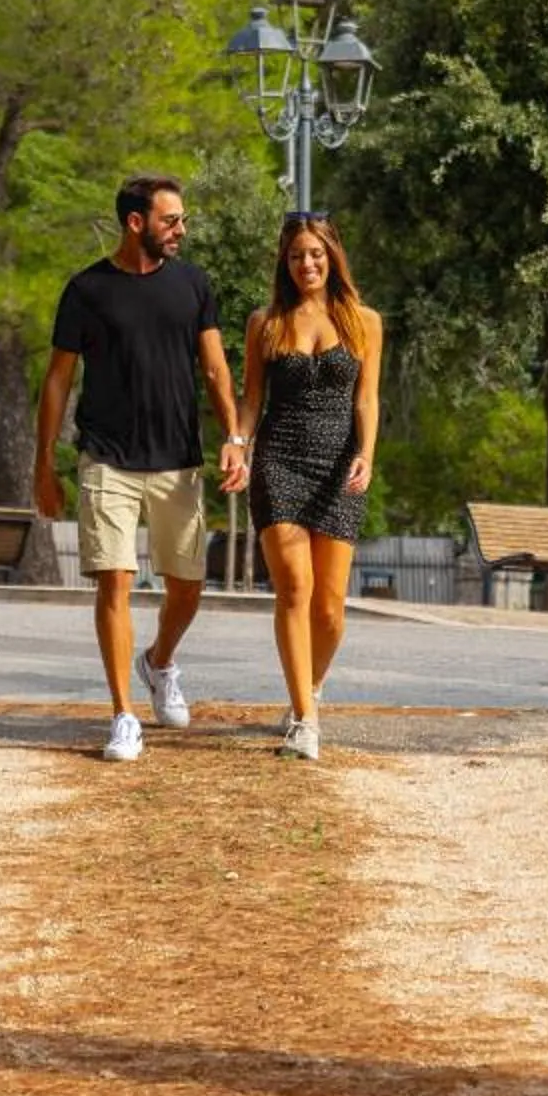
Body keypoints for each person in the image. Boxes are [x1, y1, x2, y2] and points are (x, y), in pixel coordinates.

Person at [34, 174, 249, 763]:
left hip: (178, 458)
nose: (181, 230)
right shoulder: (86, 290)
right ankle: (123, 714)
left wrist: (234, 437)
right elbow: (57, 380)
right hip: (107, 457)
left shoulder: (193, 285)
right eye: (170, 220)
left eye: (181, 220)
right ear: (136, 223)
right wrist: (43, 464)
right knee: (115, 580)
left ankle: (158, 662)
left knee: (188, 585)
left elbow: (215, 369)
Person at [238, 212, 383, 762]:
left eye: (316, 254)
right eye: (297, 255)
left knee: (330, 609)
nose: (307, 264)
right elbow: (253, 400)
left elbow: (367, 398)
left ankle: (311, 688)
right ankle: (304, 719)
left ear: (333, 256)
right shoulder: (266, 322)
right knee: (294, 588)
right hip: (280, 461)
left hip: (341, 465)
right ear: (285, 262)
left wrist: (367, 453)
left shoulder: (364, 322)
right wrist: (238, 442)